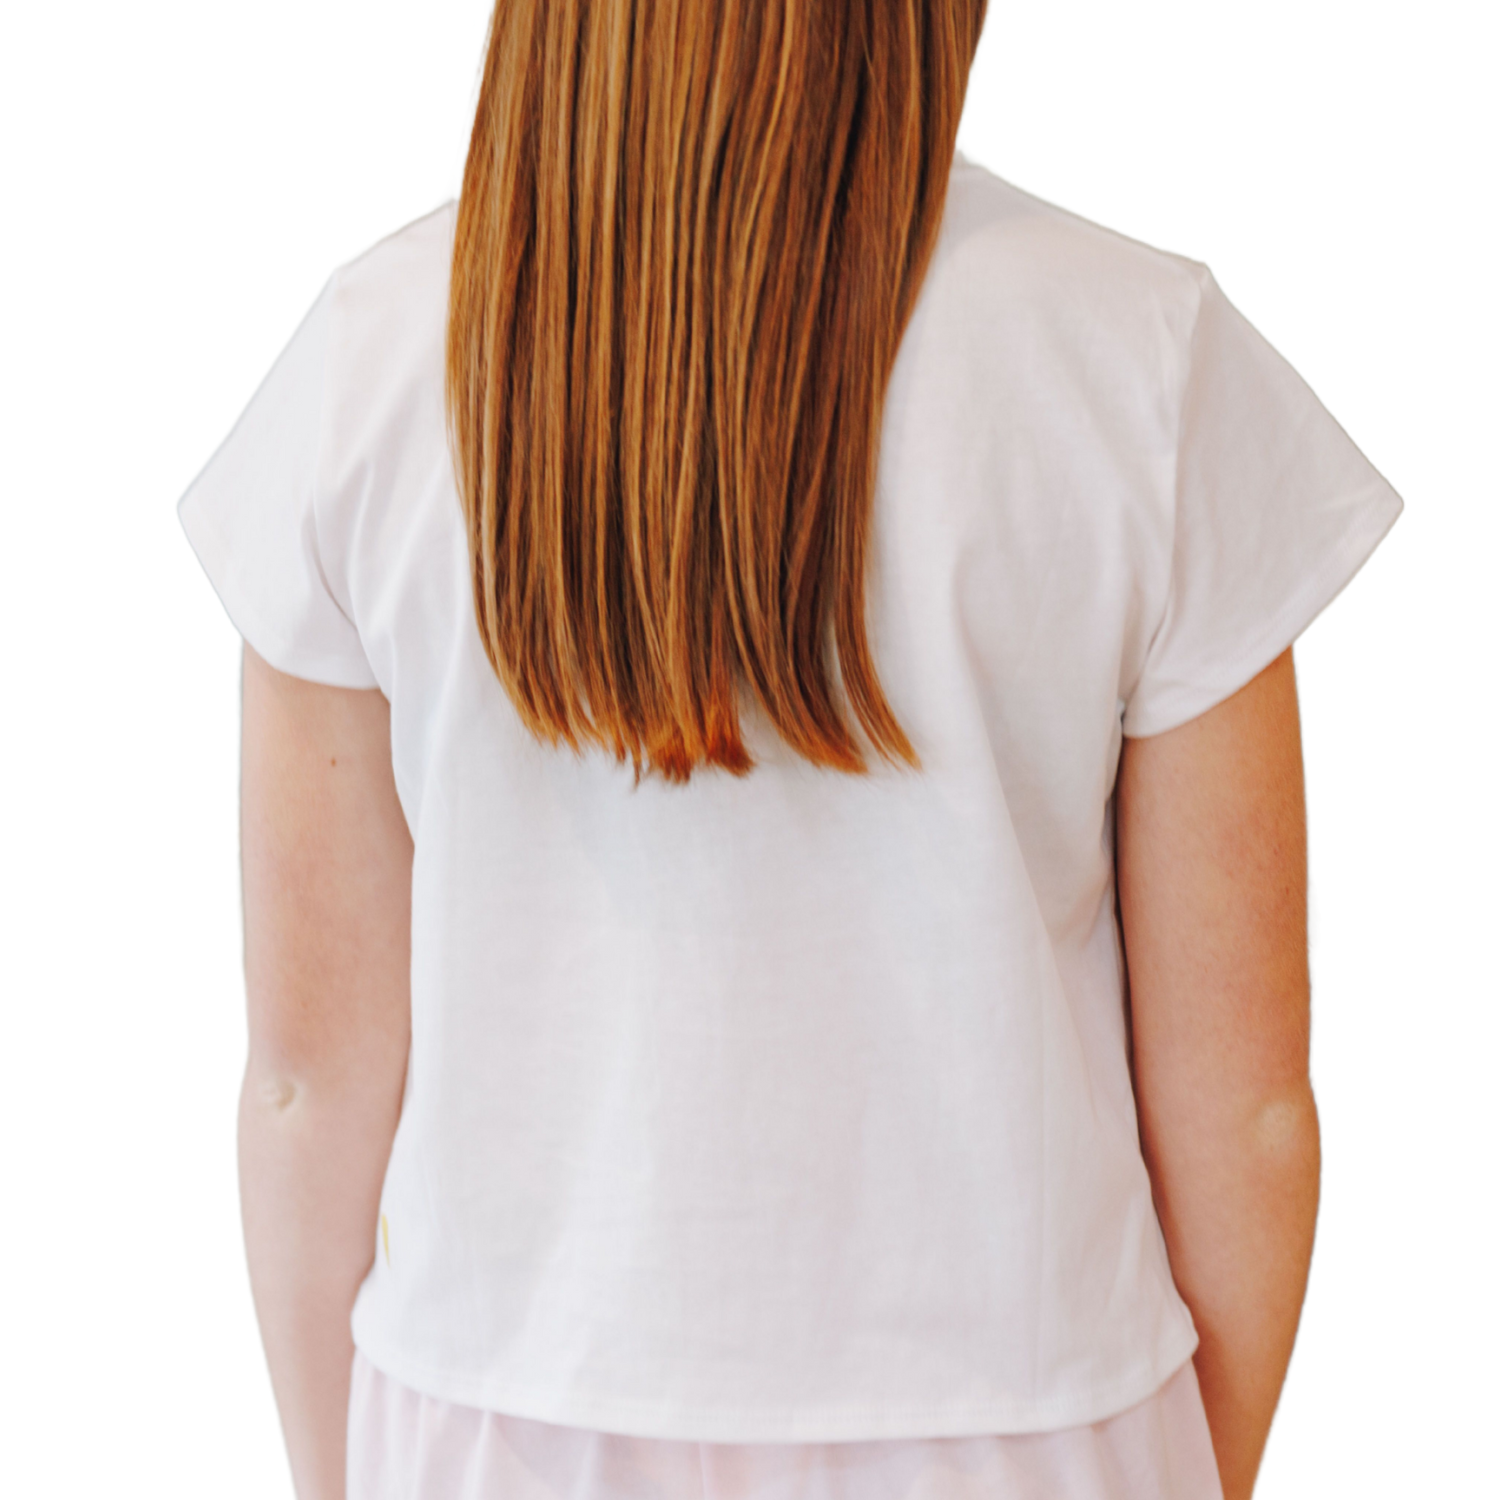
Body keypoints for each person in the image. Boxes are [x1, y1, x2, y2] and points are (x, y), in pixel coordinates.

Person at [176, 3, 1402, 1497]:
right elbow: (1248, 1112)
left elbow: (307, 1089)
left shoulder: (369, 367)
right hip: (1028, 1429)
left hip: (493, 1428)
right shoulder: (1144, 364)